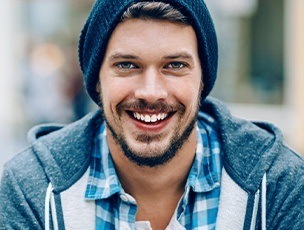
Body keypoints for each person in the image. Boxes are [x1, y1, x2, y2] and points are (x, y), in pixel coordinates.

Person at [1, 0, 303, 229]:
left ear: (203, 80)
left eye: (174, 65)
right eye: (127, 65)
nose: (151, 92)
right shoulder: (32, 190)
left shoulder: (279, 186)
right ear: (96, 80)